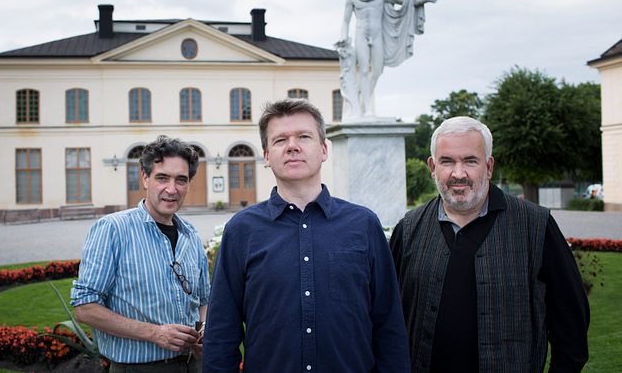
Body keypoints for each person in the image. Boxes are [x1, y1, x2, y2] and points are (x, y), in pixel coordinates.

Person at [203, 99, 410, 372]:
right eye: (280, 140)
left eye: (304, 136)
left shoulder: (363, 225)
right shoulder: (242, 230)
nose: (292, 146)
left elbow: (388, 324)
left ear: (324, 149)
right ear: (266, 155)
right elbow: (221, 332)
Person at [390, 116, 590, 373]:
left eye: (470, 161)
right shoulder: (408, 229)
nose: (458, 173)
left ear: (488, 166)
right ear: (432, 166)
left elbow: (571, 324)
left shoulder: (536, 226)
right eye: (447, 161)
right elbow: (386, 319)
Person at [71, 135, 210, 373]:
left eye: (181, 180)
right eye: (162, 178)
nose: (171, 189)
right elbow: (85, 308)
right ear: (145, 178)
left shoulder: (191, 236)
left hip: (192, 366)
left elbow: (203, 301)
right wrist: (154, 333)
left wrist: (204, 332)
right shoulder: (113, 229)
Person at [337, 0, 437, 118]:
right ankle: (368, 108)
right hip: (361, 35)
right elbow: (345, 21)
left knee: (377, 70)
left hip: (377, 36)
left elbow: (406, 2)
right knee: (363, 70)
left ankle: (363, 99)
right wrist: (343, 36)